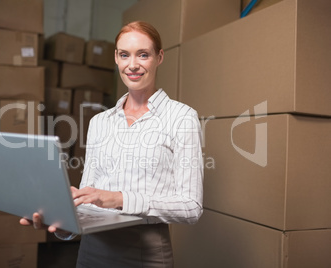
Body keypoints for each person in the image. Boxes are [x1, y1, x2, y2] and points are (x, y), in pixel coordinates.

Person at [20, 21, 204, 267]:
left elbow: (191, 207)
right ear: (116, 58)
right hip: (90, 252)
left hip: (144, 254)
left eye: (143, 55)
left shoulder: (182, 118)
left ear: (159, 57)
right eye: (124, 55)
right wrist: (61, 222)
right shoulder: (100, 122)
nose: (133, 65)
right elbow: (90, 198)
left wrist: (119, 198)